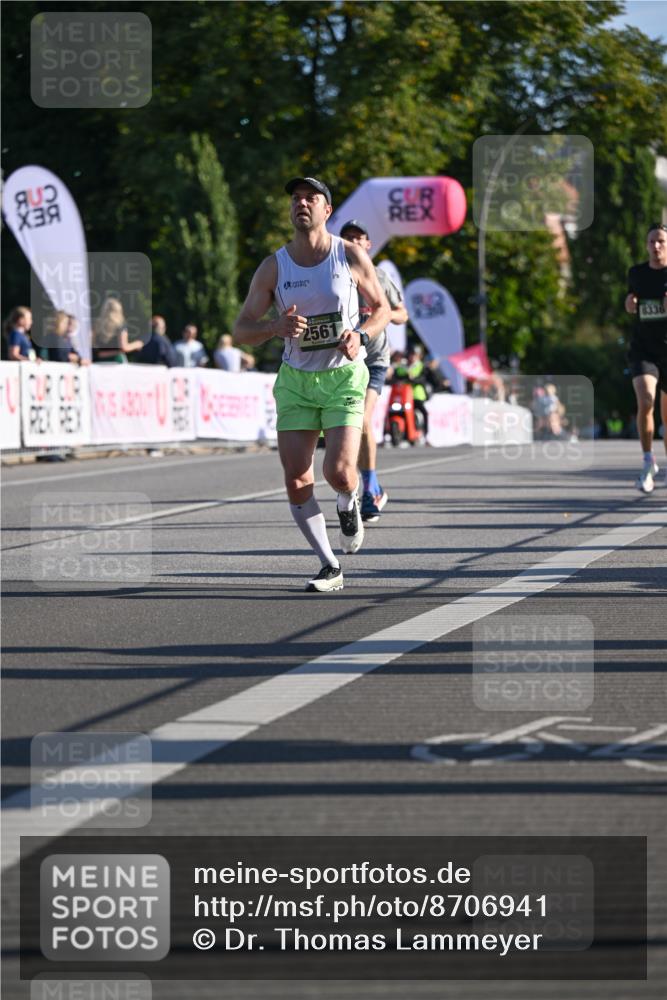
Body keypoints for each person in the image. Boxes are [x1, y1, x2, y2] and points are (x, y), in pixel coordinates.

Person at [233, 175, 390, 592]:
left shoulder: (350, 255)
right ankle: (329, 566)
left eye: (311, 198)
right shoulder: (274, 266)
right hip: (296, 380)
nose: (301, 204)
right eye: (296, 199)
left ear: (326, 210)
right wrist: (274, 327)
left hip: (343, 376)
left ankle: (349, 499)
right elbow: (240, 330)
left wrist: (362, 335)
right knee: (296, 477)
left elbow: (383, 310)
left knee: (338, 471)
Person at [339, 220, 408, 523]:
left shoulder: (379, 275)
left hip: (374, 358)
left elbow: (403, 313)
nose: (354, 243)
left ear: (368, 244)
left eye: (359, 239)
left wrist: (383, 313)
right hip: (343, 358)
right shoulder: (333, 275)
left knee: (362, 418)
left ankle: (370, 488)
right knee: (343, 425)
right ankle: (353, 485)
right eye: (347, 238)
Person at [625, 221, 667, 492]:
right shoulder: (637, 272)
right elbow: (631, 300)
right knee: (646, 400)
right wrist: (630, 303)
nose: (656, 246)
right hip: (643, 349)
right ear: (645, 245)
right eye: (651, 241)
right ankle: (647, 460)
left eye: (661, 241)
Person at [392, 343, 429, 439]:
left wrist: (413, 379)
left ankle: (426, 434)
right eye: (411, 354)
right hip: (403, 396)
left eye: (415, 355)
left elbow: (423, 379)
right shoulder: (402, 366)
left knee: (424, 412)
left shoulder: (421, 366)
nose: (412, 357)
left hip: (417, 396)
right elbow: (396, 377)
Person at [92, 297, 143, 362]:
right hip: (116, 360)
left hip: (99, 360)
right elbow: (124, 347)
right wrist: (137, 344)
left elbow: (93, 346)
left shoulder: (96, 325)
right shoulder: (120, 325)